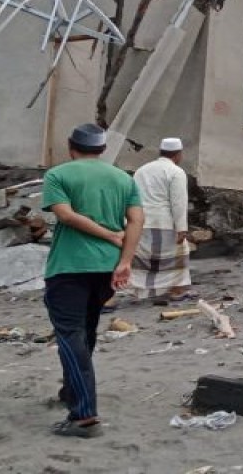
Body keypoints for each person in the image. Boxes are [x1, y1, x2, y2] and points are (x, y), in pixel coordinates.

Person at [42, 123, 143, 438]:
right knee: (85, 330)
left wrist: (109, 234)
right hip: (106, 268)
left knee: (70, 334)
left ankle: (84, 415)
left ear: (71, 147)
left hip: (69, 266)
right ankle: (72, 392)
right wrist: (125, 261)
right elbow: (137, 220)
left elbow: (66, 216)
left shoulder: (58, 175)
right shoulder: (123, 178)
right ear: (102, 149)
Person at [116, 136, 191, 302]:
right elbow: (178, 202)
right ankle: (177, 290)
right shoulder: (176, 172)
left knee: (143, 258)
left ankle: (138, 290)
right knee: (177, 256)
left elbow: (132, 198)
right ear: (178, 154)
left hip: (139, 221)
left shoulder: (142, 170)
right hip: (163, 222)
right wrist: (181, 228)